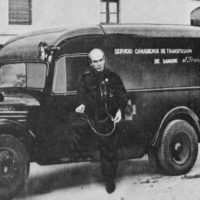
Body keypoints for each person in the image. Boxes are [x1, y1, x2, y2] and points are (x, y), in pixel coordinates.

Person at [71, 48, 129, 193]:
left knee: (109, 151)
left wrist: (120, 111)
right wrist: (82, 105)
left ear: (104, 60)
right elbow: (81, 97)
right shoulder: (85, 79)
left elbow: (122, 96)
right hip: (92, 119)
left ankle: (109, 181)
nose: (98, 64)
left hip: (109, 119)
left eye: (100, 60)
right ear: (90, 63)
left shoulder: (113, 77)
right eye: (95, 62)